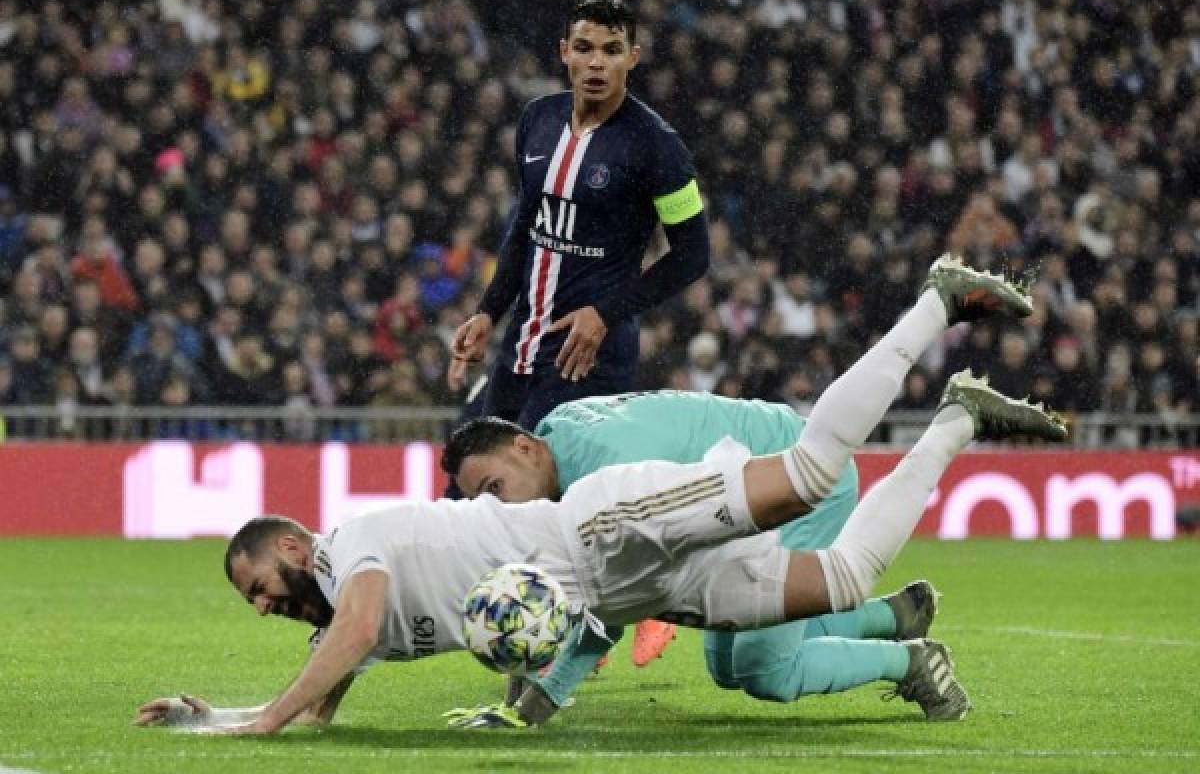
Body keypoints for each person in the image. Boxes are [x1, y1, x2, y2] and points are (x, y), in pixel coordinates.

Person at [135, 260, 1067, 735]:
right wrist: (209, 716)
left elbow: (338, 645)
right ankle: (956, 420)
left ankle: (937, 305)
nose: (262, 605)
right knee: (851, 571)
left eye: (257, 584)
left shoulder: (353, 548)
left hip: (609, 527)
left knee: (817, 475)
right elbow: (321, 690)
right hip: (636, 590)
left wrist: (261, 720)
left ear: (294, 547)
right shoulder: (344, 620)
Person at [439, 256, 1034, 725]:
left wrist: (542, 694)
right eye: (483, 500)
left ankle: (912, 662)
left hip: (787, 484)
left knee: (766, 668)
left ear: (521, 449)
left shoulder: (598, 475)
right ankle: (892, 616)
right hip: (747, 483)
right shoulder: (557, 434)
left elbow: (610, 608)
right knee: (728, 662)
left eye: (495, 487)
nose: (499, 506)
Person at [446, 0, 711, 664]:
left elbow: (694, 255)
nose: (596, 63)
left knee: (535, 505)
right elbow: (523, 230)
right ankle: (643, 598)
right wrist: (486, 310)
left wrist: (607, 311)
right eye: (585, 48)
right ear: (564, 52)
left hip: (587, 355)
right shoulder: (535, 122)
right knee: (462, 477)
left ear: (633, 58)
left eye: (611, 51)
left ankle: (623, 614)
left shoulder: (657, 148)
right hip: (521, 344)